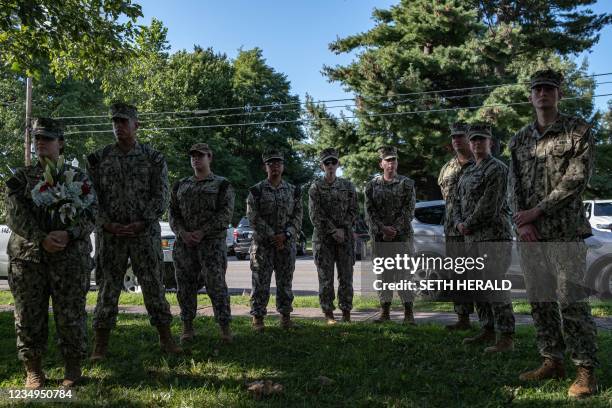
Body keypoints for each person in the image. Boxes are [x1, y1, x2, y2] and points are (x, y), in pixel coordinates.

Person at [509, 69, 598, 398]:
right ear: (531, 96)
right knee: (540, 301)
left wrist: (538, 211)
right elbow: (513, 186)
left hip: (564, 234)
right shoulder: (519, 139)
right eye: (537, 89)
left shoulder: (577, 130)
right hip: (531, 236)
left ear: (559, 93)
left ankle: (585, 369)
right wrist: (523, 222)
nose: (543, 93)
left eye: (549, 88)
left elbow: (576, 180)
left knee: (571, 302)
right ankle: (552, 360)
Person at [6, 118, 97, 388]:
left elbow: (92, 212)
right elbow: (14, 215)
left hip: (69, 258)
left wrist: (69, 233)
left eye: (47, 138)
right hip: (29, 258)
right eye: (37, 139)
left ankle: (73, 368)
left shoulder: (78, 178)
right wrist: (41, 238)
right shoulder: (21, 178)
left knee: (71, 313)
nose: (40, 143)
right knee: (28, 314)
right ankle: (33, 370)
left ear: (61, 143)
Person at [88, 102, 182, 360]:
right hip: (110, 235)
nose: (118, 127)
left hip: (144, 234)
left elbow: (161, 195)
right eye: (115, 122)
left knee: (153, 285)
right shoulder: (98, 159)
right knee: (107, 288)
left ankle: (166, 338)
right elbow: (91, 198)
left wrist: (143, 220)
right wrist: (106, 223)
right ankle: (100, 346)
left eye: (123, 122)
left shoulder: (153, 158)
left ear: (136, 125)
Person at [452, 123, 515, 353]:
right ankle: (487, 329)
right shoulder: (467, 171)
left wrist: (467, 224)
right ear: (469, 143)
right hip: (471, 239)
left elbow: (490, 204)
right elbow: (456, 201)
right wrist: (459, 222)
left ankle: (506, 336)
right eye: (474, 140)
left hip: (494, 237)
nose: (477, 143)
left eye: (482, 139)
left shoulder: (497, 168)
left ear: (490, 142)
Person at [169, 143, 234, 344]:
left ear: (209, 157)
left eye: (200, 156)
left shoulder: (222, 184)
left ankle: (225, 329)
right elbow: (172, 213)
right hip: (185, 245)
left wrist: (203, 231)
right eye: (193, 156)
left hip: (211, 245)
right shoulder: (180, 185)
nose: (196, 159)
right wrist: (182, 232)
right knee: (185, 287)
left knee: (216, 286)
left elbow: (225, 214)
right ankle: (187, 327)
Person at [247, 149, 303, 331]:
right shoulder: (256, 191)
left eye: (278, 163)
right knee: (260, 283)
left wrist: (286, 235)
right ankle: (258, 318)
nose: (275, 166)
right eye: (270, 163)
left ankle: (285, 317)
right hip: (263, 245)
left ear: (283, 166)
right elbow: (253, 217)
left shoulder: (293, 191)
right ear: (265, 167)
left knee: (285, 282)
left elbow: (297, 216)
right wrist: (272, 235)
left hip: (286, 245)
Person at [364, 146, 416, 325]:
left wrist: (393, 229)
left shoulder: (406, 183)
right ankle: (384, 312)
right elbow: (369, 212)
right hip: (380, 238)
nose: (391, 163)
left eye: (394, 160)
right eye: (387, 160)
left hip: (401, 237)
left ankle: (408, 313)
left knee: (404, 275)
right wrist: (382, 229)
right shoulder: (372, 186)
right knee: (383, 276)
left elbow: (409, 211)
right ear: (381, 164)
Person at [308, 148, 357, 324]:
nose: (330, 165)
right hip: (324, 239)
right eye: (326, 162)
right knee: (326, 278)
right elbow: (315, 214)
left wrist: (343, 229)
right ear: (321, 166)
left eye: (333, 162)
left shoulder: (348, 186)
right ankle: (328, 313)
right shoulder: (315, 187)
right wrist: (333, 230)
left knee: (346, 277)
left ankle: (346, 312)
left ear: (338, 164)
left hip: (345, 239)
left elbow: (354, 211)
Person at [437, 121, 475, 330]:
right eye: (454, 137)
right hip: (453, 231)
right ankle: (463, 318)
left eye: (460, 136)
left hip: (476, 230)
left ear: (469, 138)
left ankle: (490, 323)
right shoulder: (447, 169)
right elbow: (447, 199)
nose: (456, 140)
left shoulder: (481, 163)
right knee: (458, 275)